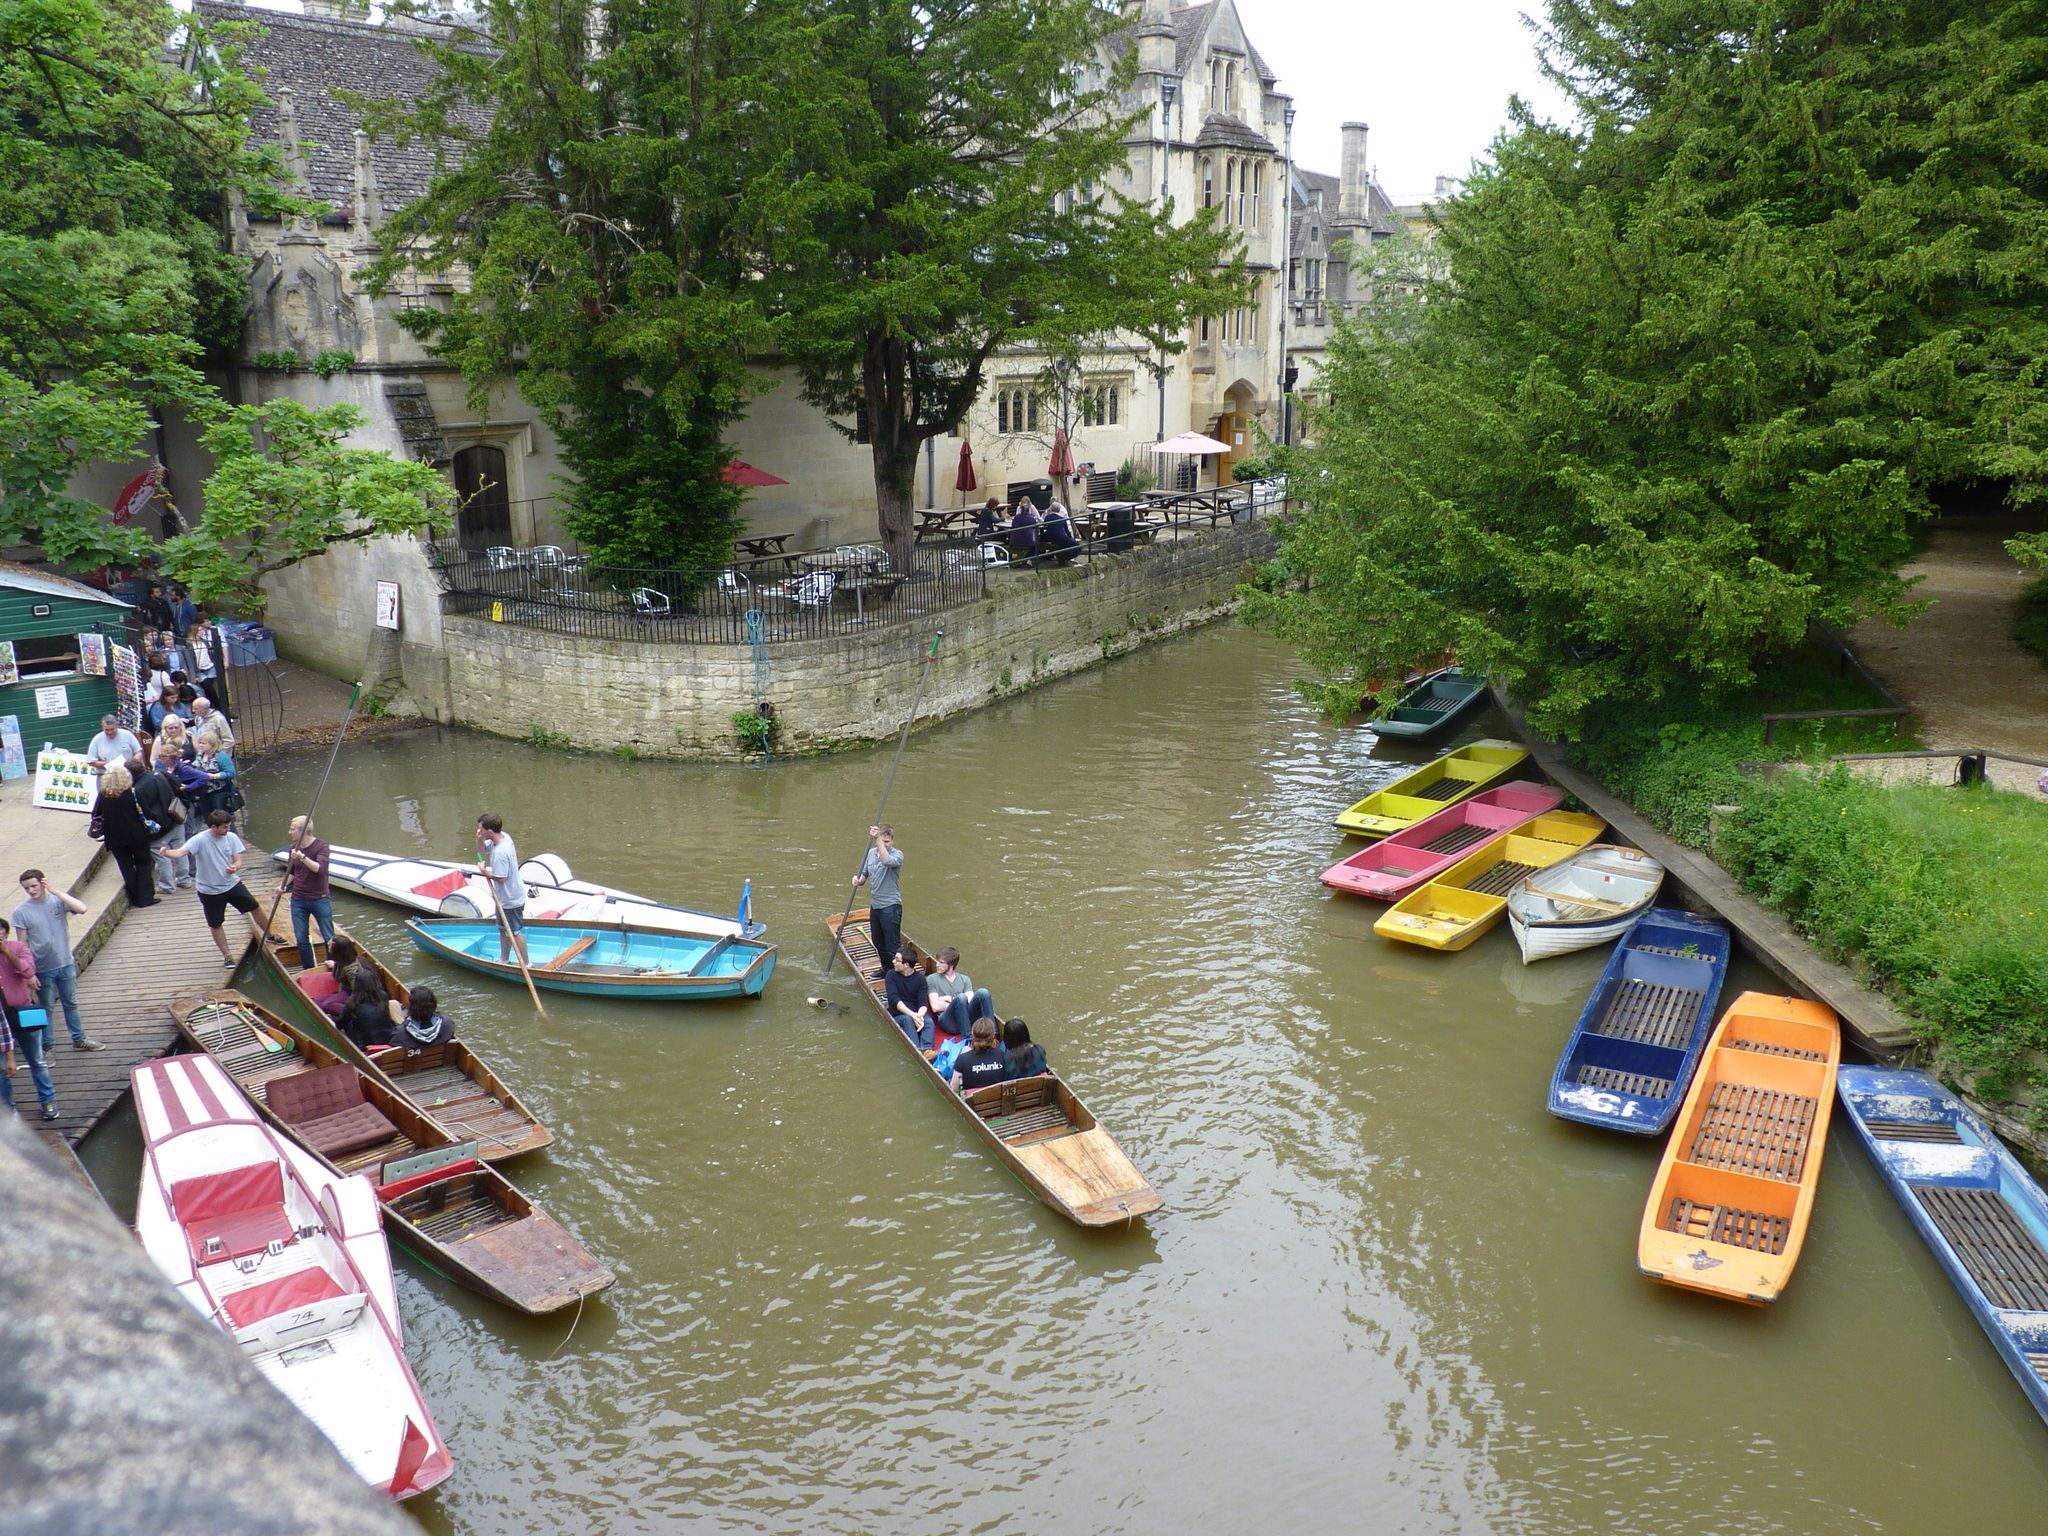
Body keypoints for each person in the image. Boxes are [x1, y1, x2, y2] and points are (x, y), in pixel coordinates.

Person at [12, 870, 100, 1051]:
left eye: (34, 886)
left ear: (43, 883)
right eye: (27, 888)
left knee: (71, 1002)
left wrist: (57, 892)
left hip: (65, 962)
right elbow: (23, 944)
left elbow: (82, 908)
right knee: (46, 1008)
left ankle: (79, 1038)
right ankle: (47, 1046)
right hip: (42, 968)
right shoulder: (21, 912)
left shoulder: (57, 902)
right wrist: (28, 973)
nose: (31, 891)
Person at [160, 811, 263, 966]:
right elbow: (180, 852)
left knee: (255, 907)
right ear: (213, 827)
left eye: (228, 826)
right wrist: (166, 852)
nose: (228, 829)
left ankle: (270, 935)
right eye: (224, 827)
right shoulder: (200, 839)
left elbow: (238, 860)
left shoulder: (231, 837)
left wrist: (235, 867)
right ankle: (227, 956)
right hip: (209, 891)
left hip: (231, 884)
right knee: (215, 923)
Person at [0, 916, 54, 1119]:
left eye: (1, 936)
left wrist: (6, 951)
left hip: (22, 1012)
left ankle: (47, 1101)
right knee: (1, 1068)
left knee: (37, 1060)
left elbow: (28, 970)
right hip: (0, 1021)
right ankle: (9, 1110)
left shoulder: (18, 948)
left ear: (6, 935)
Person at [91, 764, 158, 910]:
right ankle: (146, 897)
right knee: (143, 864)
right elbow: (146, 812)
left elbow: (95, 814)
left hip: (115, 837)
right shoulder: (133, 793)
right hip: (137, 835)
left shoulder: (103, 795)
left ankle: (134, 897)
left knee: (126, 866)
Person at [128, 754, 186, 898]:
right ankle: (184, 879)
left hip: (160, 827)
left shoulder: (138, 789)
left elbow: (144, 811)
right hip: (175, 818)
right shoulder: (159, 774)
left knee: (161, 854)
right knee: (182, 849)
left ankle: (168, 886)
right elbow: (177, 784)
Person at [850, 823, 902, 979]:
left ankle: (896, 976)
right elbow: (865, 874)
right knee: (878, 942)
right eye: (882, 841)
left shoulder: (897, 855)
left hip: (891, 906)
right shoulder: (871, 853)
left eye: (887, 841)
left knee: (892, 945)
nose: (884, 844)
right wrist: (858, 880)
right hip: (876, 906)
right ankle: (886, 970)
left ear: (892, 841)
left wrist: (878, 839)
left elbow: (887, 861)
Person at [476, 812, 528, 964]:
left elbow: (501, 877)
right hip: (504, 898)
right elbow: (482, 850)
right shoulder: (503, 836)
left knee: (514, 931)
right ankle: (504, 959)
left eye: (482, 830)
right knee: (503, 929)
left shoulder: (500, 853)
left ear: (490, 831)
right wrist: (479, 840)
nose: (480, 831)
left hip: (510, 898)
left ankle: (527, 964)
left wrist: (484, 871)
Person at [284, 815, 334, 970]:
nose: (289, 832)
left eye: (292, 829)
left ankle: (332, 967)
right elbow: (292, 871)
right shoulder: (293, 848)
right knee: (301, 939)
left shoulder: (322, 847)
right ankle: (309, 970)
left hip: (319, 898)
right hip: (298, 899)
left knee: (328, 937)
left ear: (303, 831)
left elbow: (320, 869)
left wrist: (303, 857)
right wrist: (283, 885)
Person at [925, 946, 993, 1039]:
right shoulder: (932, 979)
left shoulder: (965, 979)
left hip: (966, 1017)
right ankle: (968, 1039)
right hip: (948, 1021)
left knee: (983, 992)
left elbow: (969, 1000)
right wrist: (957, 1002)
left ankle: (993, 1035)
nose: (937, 965)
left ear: (951, 965)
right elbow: (935, 1007)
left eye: (941, 963)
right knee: (961, 998)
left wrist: (950, 1000)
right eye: (937, 961)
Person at [883, 948, 936, 1054]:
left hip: (916, 1012)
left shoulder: (920, 979)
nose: (893, 961)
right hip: (899, 1014)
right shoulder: (891, 975)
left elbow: (923, 1003)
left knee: (929, 1021)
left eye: (897, 960)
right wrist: (913, 1015)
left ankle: (926, 1050)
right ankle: (917, 1051)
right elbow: (894, 1000)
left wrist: (919, 1016)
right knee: (907, 1020)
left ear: (906, 964)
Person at [339, 962, 393, 1051]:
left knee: (348, 1023)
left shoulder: (352, 1002)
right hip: (388, 1038)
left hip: (365, 1044)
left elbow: (340, 1024)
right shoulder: (383, 995)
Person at [952, 1017, 1011, 1095]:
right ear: (993, 1036)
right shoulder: (1003, 1056)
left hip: (971, 1102)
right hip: (996, 1099)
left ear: (972, 1035)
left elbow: (954, 1089)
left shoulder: (962, 1059)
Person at [193, 728, 239, 822]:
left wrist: (215, 776)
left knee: (222, 818)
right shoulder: (200, 755)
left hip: (219, 792)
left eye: (204, 743)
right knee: (208, 818)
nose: (200, 745)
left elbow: (230, 772)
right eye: (200, 743)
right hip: (204, 792)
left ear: (212, 745)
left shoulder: (221, 756)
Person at [319, 936, 362, 1020]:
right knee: (316, 1003)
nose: (328, 943)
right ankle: (336, 1017)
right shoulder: (341, 961)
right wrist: (334, 965)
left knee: (326, 1005)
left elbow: (358, 992)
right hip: (345, 990)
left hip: (352, 994)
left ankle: (354, 1016)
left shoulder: (351, 970)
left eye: (330, 943)